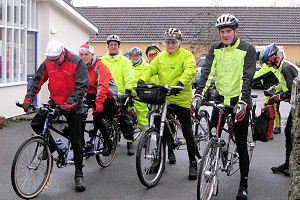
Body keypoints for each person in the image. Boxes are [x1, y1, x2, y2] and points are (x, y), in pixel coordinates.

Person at [191, 14, 256, 200]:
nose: (225, 35)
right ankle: (218, 157)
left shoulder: (247, 49)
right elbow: (207, 72)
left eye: (228, 31)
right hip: (221, 99)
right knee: (213, 134)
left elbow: (248, 77)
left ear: (236, 31)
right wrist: (198, 96)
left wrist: (243, 102)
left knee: (241, 144)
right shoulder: (216, 48)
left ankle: (243, 183)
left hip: (239, 100)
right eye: (222, 32)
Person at [22, 40, 89, 192]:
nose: (54, 63)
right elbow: (37, 81)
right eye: (51, 60)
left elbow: (81, 87)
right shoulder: (49, 62)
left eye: (56, 59)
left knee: (76, 139)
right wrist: (28, 100)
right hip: (56, 100)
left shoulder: (77, 62)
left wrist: (67, 106)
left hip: (74, 105)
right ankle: (50, 145)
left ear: (63, 54)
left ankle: (78, 174)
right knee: (36, 123)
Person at [139, 28, 198, 180]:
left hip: (180, 97)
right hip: (164, 97)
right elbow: (150, 69)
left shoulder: (186, 55)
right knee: (161, 127)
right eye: (168, 42)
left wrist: (181, 83)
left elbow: (190, 70)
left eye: (173, 42)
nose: (170, 45)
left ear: (179, 43)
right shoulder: (160, 57)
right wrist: (141, 80)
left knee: (187, 130)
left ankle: (193, 163)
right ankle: (160, 160)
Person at [261, 43, 299, 177]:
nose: (268, 66)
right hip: (296, 105)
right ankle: (288, 164)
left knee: (293, 134)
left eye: (268, 63)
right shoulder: (283, 67)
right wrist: (275, 89)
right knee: (289, 133)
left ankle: (291, 165)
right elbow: (285, 85)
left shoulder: (286, 68)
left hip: (298, 105)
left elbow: (291, 92)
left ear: (273, 59)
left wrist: (277, 97)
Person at [78, 44, 118, 156]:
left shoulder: (100, 66)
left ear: (92, 55)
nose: (83, 57)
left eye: (86, 54)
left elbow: (102, 86)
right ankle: (81, 144)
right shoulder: (80, 67)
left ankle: (107, 141)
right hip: (91, 92)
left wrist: (99, 103)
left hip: (108, 93)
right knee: (79, 114)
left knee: (97, 115)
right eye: (81, 54)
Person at [101, 35, 137, 156]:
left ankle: (129, 142)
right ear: (108, 46)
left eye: (115, 45)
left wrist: (128, 90)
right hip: (105, 94)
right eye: (111, 45)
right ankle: (107, 142)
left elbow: (129, 76)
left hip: (120, 95)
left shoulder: (124, 61)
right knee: (101, 118)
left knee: (125, 119)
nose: (113, 47)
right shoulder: (103, 61)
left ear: (118, 46)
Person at [253, 59, 281, 137]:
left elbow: (256, 76)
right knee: (272, 108)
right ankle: (274, 127)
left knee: (273, 109)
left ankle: (275, 127)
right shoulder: (267, 67)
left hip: (273, 91)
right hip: (271, 90)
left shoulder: (267, 67)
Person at [128, 47, 150, 132]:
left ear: (140, 56)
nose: (134, 58)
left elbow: (147, 77)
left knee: (142, 115)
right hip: (129, 93)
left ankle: (145, 136)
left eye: (136, 56)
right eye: (132, 56)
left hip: (140, 95)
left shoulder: (146, 66)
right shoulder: (127, 65)